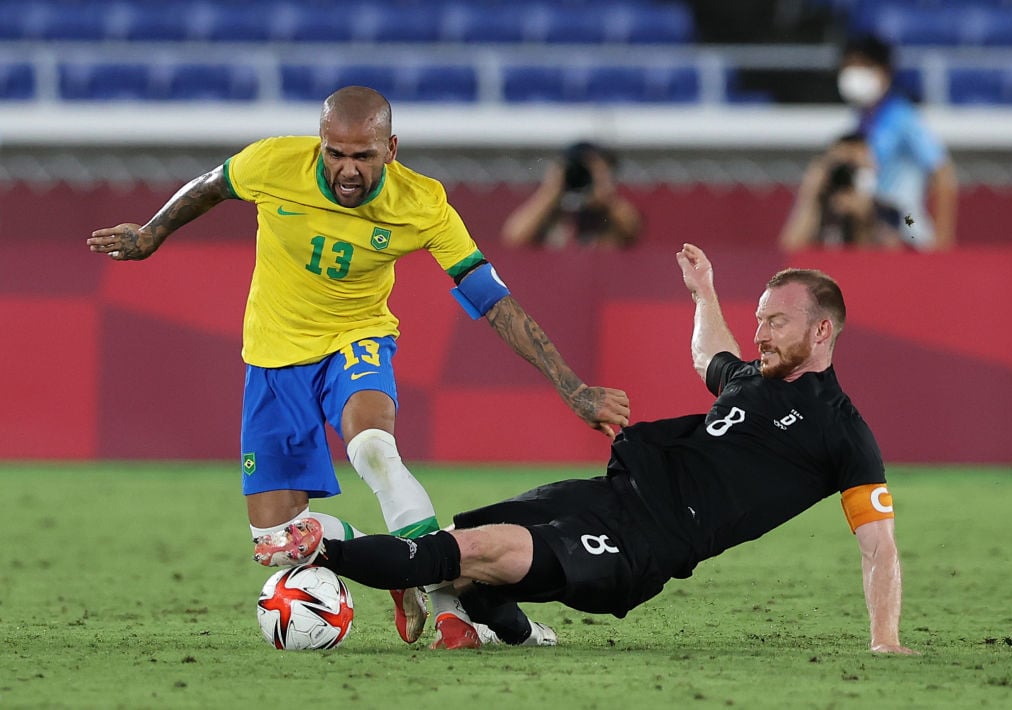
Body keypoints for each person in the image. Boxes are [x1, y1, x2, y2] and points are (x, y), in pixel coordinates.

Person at [85, 86, 630, 650]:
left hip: (356, 339)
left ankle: (450, 610)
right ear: (320, 143)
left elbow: (492, 299)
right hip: (274, 357)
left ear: (390, 149)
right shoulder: (273, 162)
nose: (348, 170)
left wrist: (574, 389)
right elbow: (212, 185)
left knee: (373, 448)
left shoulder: (421, 203)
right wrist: (152, 232)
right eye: (336, 154)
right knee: (278, 542)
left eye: (364, 156)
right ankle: (394, 565)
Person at [304, 244, 916, 654]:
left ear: (822, 330)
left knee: (477, 550)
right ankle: (511, 631)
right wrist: (704, 293)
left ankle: (320, 549)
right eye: (758, 319)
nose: (760, 334)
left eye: (775, 322)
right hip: (611, 492)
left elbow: (879, 546)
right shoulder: (751, 377)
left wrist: (884, 640)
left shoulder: (842, 431)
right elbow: (710, 354)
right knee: (462, 544)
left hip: (644, 544)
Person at [837, 34, 957, 251]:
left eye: (863, 66)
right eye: (849, 67)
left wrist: (943, 241)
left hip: (906, 218)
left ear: (884, 72)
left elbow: (943, 172)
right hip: (873, 223)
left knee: (912, 236)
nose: (854, 74)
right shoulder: (860, 120)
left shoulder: (903, 117)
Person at [501, 141, 642, 250]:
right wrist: (550, 192)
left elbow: (632, 230)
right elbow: (513, 239)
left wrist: (605, 194)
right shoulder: (550, 216)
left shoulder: (610, 219)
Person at [778, 132, 904, 252]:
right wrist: (811, 194)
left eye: (855, 167)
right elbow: (791, 249)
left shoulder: (887, 211)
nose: (848, 174)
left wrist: (864, 217)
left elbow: (889, 256)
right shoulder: (818, 207)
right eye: (844, 166)